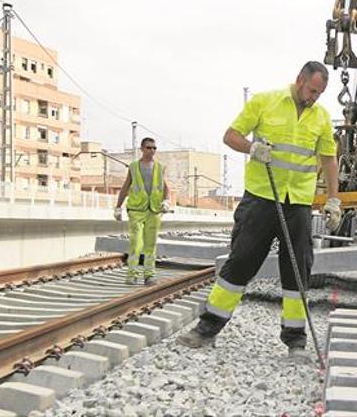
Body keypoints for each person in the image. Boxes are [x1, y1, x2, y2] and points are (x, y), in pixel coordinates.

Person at [178, 61, 342, 358]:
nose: (314, 97)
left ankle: (295, 339)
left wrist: (333, 199)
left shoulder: (321, 117)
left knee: (298, 269)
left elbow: (329, 160)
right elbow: (231, 136)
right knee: (241, 262)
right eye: (312, 90)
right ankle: (207, 327)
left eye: (320, 93)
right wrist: (252, 148)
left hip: (298, 204)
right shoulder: (265, 102)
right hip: (262, 198)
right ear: (300, 79)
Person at [114, 137, 173, 286]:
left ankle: (149, 275)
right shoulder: (134, 167)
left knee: (150, 245)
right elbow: (125, 187)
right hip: (136, 210)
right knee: (136, 243)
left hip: (154, 210)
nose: (152, 150)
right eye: (148, 147)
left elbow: (166, 188)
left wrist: (167, 201)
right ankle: (132, 274)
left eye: (154, 148)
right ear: (142, 149)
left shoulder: (160, 167)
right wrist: (118, 207)